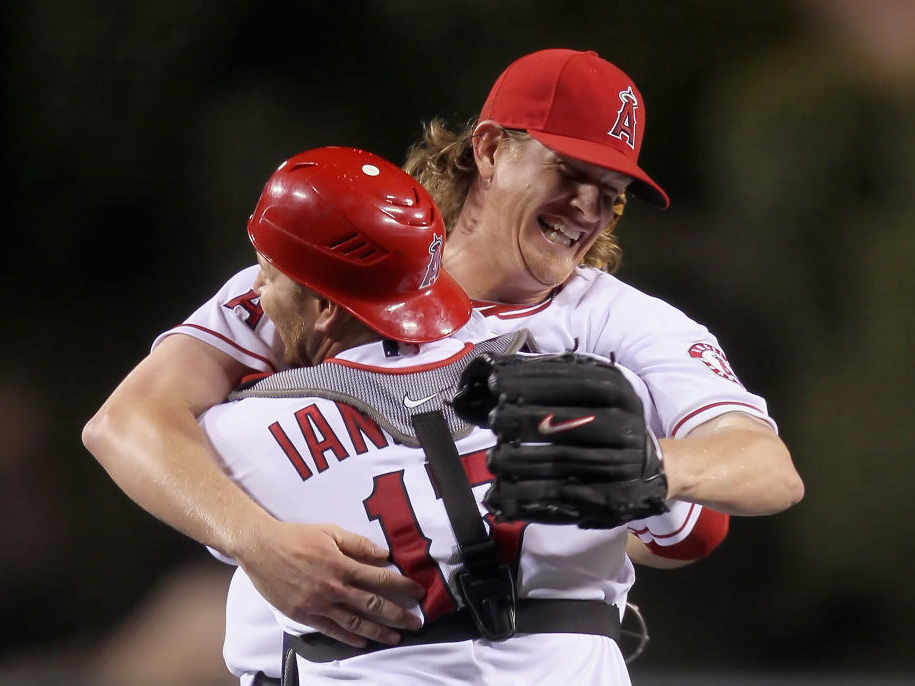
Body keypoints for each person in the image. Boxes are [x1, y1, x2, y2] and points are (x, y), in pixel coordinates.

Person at [82, 48, 803, 650]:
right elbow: (129, 422)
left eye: (610, 193)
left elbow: (765, 470)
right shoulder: (324, 268)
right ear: (489, 149)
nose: (589, 209)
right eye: (570, 173)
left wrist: (654, 469)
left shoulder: (621, 322)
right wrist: (254, 542)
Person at [197, 144, 717, 685]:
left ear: (327, 308)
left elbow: (137, 437)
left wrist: (252, 538)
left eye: (268, 278)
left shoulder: (240, 432)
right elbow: (694, 532)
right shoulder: (572, 394)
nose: (257, 291)